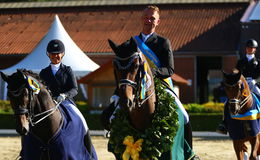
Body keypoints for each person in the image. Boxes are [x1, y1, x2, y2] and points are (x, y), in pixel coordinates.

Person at [102, 5, 199, 160]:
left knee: (184, 115)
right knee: (110, 112)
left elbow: (170, 69)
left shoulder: (163, 42)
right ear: (142, 19)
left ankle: (189, 154)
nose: (149, 21)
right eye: (146, 17)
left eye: (152, 18)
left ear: (158, 21)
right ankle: (115, 142)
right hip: (133, 84)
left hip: (159, 84)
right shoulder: (132, 42)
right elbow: (124, 66)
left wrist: (151, 73)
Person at [39, 39, 94, 155]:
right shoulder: (43, 73)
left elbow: (74, 89)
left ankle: (90, 152)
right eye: (52, 54)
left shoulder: (68, 70)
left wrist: (64, 95)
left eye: (58, 53)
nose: (55, 56)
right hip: (49, 103)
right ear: (48, 54)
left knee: (82, 120)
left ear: (62, 54)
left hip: (66, 102)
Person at [217, 39, 260, 134]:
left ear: (255, 50)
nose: (250, 49)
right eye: (248, 47)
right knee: (228, 101)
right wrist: (234, 73)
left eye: (252, 48)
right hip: (242, 85)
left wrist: (255, 81)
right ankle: (224, 124)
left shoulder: (258, 62)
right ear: (246, 49)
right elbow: (236, 72)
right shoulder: (241, 62)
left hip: (254, 84)